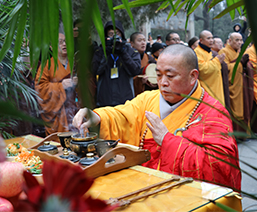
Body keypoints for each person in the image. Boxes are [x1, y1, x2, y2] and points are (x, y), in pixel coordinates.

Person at [73, 44, 241, 191]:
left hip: (182, 195)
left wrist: (168, 141)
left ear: (193, 76)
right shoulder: (148, 98)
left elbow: (220, 168)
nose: (163, 83)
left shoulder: (213, 114)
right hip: (141, 185)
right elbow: (122, 115)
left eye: (170, 76)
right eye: (159, 75)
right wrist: (97, 116)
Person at [35, 32, 78, 135]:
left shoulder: (76, 63)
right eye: (60, 42)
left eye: (66, 42)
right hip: (58, 115)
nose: (64, 44)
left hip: (75, 109)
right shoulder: (46, 66)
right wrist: (60, 86)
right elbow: (40, 88)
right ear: (51, 46)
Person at [92, 20, 141, 107]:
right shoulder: (100, 51)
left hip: (125, 100)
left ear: (122, 34)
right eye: (111, 34)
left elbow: (135, 71)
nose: (115, 37)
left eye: (117, 33)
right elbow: (95, 70)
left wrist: (122, 52)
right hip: (104, 100)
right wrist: (105, 52)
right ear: (106, 36)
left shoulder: (130, 51)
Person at [219, 32, 249, 133]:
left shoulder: (239, 51)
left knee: (242, 107)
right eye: (237, 40)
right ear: (230, 40)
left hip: (239, 84)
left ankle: (242, 134)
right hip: (231, 86)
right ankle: (234, 134)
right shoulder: (223, 51)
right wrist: (239, 63)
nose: (239, 42)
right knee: (233, 108)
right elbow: (224, 68)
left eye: (241, 40)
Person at [194, 30, 226, 105]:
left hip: (216, 87)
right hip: (207, 89)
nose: (211, 40)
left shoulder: (209, 52)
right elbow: (203, 69)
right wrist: (217, 60)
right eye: (208, 38)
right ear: (201, 40)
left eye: (212, 38)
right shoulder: (197, 52)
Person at [130, 32, 157, 96]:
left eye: (144, 40)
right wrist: (140, 82)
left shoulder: (149, 58)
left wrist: (155, 83)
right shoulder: (127, 59)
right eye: (139, 40)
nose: (143, 43)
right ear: (132, 44)